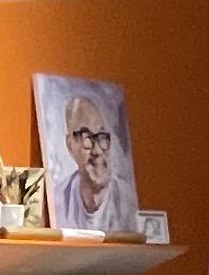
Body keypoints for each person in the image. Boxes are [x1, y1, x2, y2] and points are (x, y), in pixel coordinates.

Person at [52, 93, 142, 236]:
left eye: (102, 137)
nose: (97, 150)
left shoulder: (127, 201)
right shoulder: (57, 202)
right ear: (70, 145)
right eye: (87, 137)